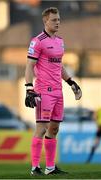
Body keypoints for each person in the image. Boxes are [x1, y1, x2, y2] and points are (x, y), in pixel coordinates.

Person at [25, 7, 82, 176]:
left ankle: (50, 168)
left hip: (58, 90)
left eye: (59, 20)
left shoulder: (60, 41)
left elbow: (59, 66)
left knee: (54, 129)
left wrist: (70, 81)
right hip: (44, 91)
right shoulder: (38, 41)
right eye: (54, 20)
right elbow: (30, 65)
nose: (58, 22)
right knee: (41, 129)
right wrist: (29, 88)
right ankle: (35, 167)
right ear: (45, 21)